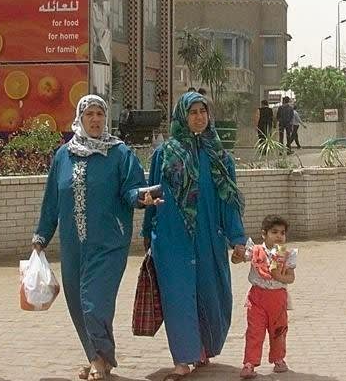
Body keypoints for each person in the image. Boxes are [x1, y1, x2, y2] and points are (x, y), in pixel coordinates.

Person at [32, 95, 157, 381]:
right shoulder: (64, 155)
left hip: (109, 242)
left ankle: (100, 358)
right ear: (80, 118)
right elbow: (52, 199)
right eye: (89, 114)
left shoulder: (119, 153)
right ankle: (96, 356)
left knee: (94, 302)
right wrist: (41, 236)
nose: (96, 119)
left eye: (100, 114)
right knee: (77, 303)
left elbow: (132, 189)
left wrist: (142, 197)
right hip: (73, 245)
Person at [142, 91, 247, 380]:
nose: (199, 117)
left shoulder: (220, 157)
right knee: (178, 297)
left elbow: (229, 200)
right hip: (172, 236)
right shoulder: (165, 154)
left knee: (212, 294)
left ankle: (202, 347)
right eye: (193, 112)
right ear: (182, 116)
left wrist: (237, 238)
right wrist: (147, 232)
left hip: (209, 235)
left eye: (203, 111)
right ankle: (182, 359)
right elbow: (154, 194)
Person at [238, 215, 296, 379]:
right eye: (274, 232)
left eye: (282, 233)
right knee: (254, 331)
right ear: (264, 234)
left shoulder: (286, 254)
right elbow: (239, 258)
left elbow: (291, 278)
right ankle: (250, 363)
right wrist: (237, 253)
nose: (279, 236)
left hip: (278, 298)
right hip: (257, 297)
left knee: (278, 330)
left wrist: (279, 276)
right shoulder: (256, 251)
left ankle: (278, 359)